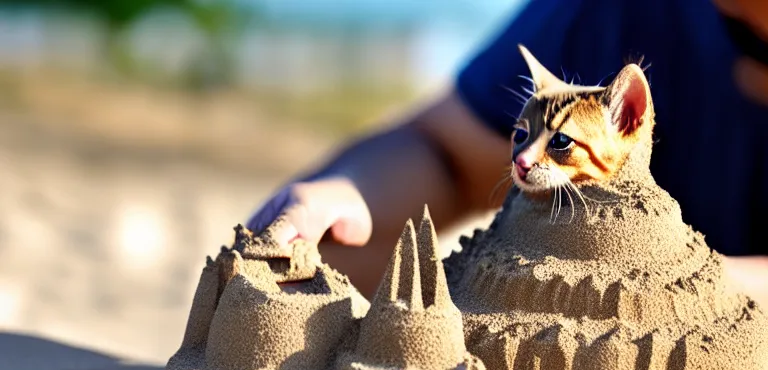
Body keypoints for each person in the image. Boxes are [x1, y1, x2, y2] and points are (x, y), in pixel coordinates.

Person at [247, 0, 768, 306]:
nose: (520, 158)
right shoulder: (612, 13)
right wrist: (350, 195)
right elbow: (445, 150)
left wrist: (679, 280)